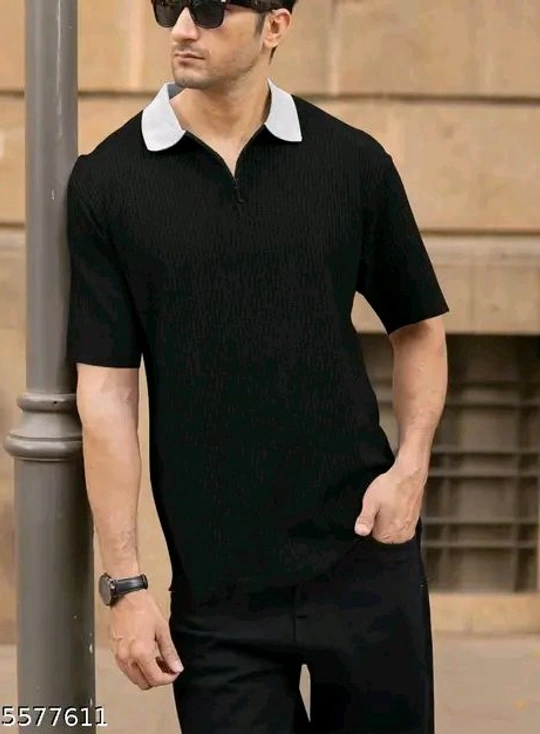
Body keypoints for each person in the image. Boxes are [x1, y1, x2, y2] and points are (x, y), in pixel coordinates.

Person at [65, 0, 449, 732]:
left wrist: (411, 468)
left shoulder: (352, 163)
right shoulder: (108, 182)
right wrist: (127, 585)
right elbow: (107, 395)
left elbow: (419, 327)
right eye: (169, 5)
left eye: (211, 10)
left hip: (365, 560)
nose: (183, 28)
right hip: (217, 596)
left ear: (275, 26)